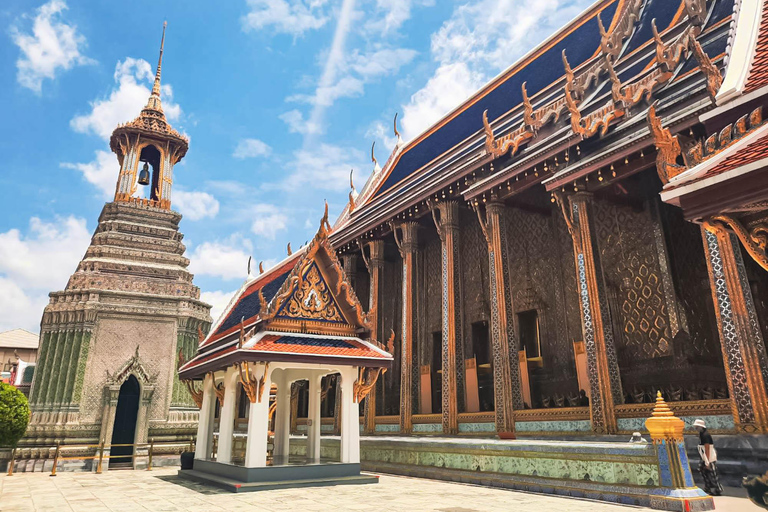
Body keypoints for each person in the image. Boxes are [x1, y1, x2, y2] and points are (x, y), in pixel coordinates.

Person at [694, 419, 723, 496]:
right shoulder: (701, 434)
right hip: (704, 455)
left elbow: (707, 448)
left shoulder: (705, 435)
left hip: (709, 456)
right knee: (703, 470)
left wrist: (707, 461)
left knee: (712, 472)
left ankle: (718, 489)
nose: (696, 428)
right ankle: (708, 487)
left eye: (697, 427)